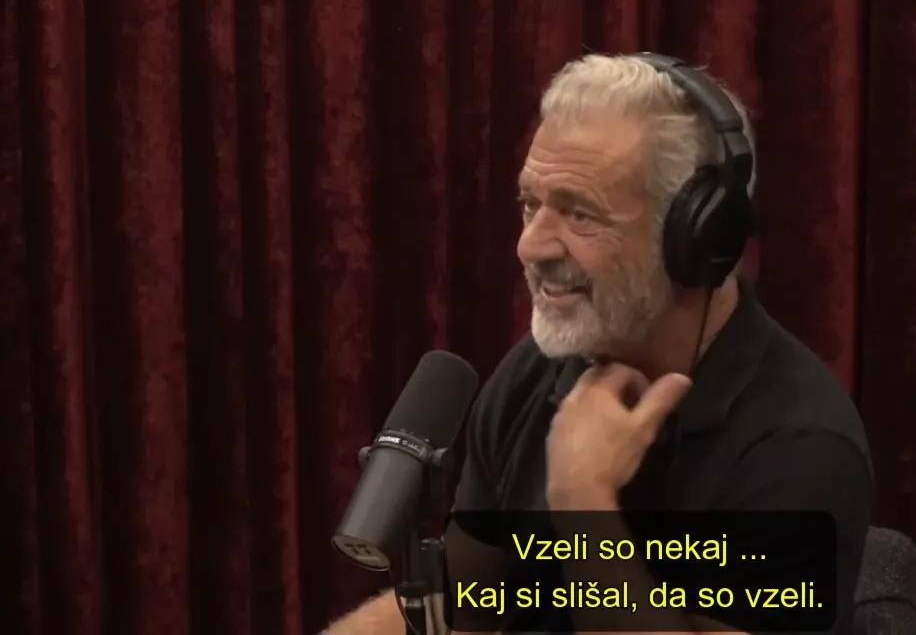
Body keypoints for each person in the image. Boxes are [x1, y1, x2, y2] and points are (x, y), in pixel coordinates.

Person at [324, 53, 874, 635]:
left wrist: (582, 497)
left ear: (697, 239)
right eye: (531, 204)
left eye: (580, 214)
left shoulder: (800, 449)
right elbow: (466, 605)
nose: (531, 247)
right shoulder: (535, 373)